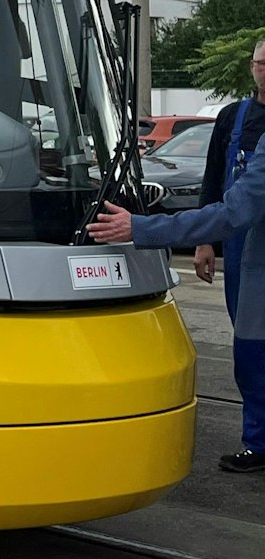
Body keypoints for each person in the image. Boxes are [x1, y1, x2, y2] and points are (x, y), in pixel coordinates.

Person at [88, 100, 265, 473]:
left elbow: (235, 212)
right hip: (248, 258)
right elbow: (219, 184)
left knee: (253, 356)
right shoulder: (236, 117)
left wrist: (140, 229)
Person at [195, 39, 265, 284]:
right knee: (242, 316)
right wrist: (204, 241)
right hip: (236, 237)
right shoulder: (231, 117)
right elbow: (212, 181)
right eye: (262, 64)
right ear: (252, 67)